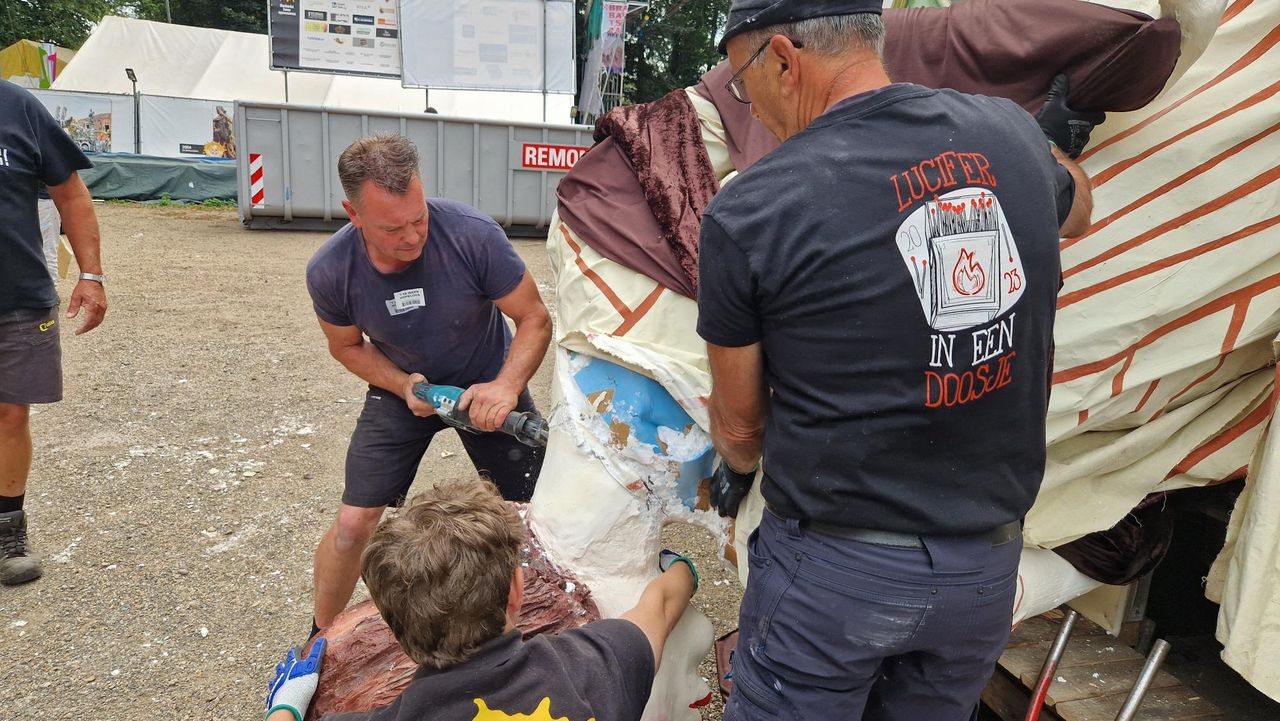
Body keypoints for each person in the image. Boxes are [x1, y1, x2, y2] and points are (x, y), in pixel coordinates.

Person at [695, 2, 1097, 719]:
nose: (743, 103)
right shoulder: (1007, 133)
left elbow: (740, 430)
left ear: (783, 59)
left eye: (739, 81)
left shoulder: (751, 210)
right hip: (982, 569)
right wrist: (1047, 150)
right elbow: (1077, 207)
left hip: (835, 578)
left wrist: (736, 465)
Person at [305, 133, 552, 637]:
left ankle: (545, 624)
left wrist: (505, 386)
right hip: (405, 390)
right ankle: (318, 643)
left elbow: (534, 318)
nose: (413, 237)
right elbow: (347, 346)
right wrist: (402, 386)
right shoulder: (331, 271)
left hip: (487, 387)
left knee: (533, 517)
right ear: (353, 215)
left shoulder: (471, 235)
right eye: (393, 228)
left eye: (419, 219)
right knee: (354, 525)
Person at [265, 478, 698, 721]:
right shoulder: (594, 662)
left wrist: (285, 705)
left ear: (388, 624)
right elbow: (660, 604)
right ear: (515, 589)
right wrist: (682, 568)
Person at [0, 79, 109, 586]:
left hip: (16, 293)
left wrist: (90, 275)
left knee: (10, 413)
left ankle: (6, 531)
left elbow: (71, 194)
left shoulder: (17, 107)